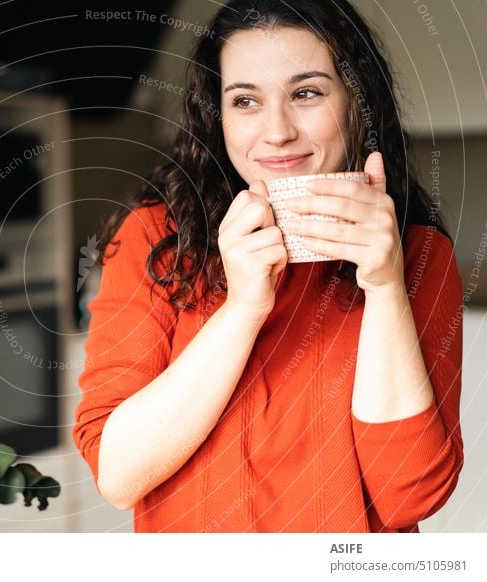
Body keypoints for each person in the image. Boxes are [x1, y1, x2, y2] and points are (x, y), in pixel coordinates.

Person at [72, 0, 463, 533]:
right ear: (219, 115)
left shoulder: (418, 256)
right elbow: (118, 476)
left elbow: (408, 495)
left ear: (356, 105)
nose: (276, 131)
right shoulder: (156, 239)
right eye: (246, 100)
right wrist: (242, 310)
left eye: (306, 93)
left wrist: (384, 287)